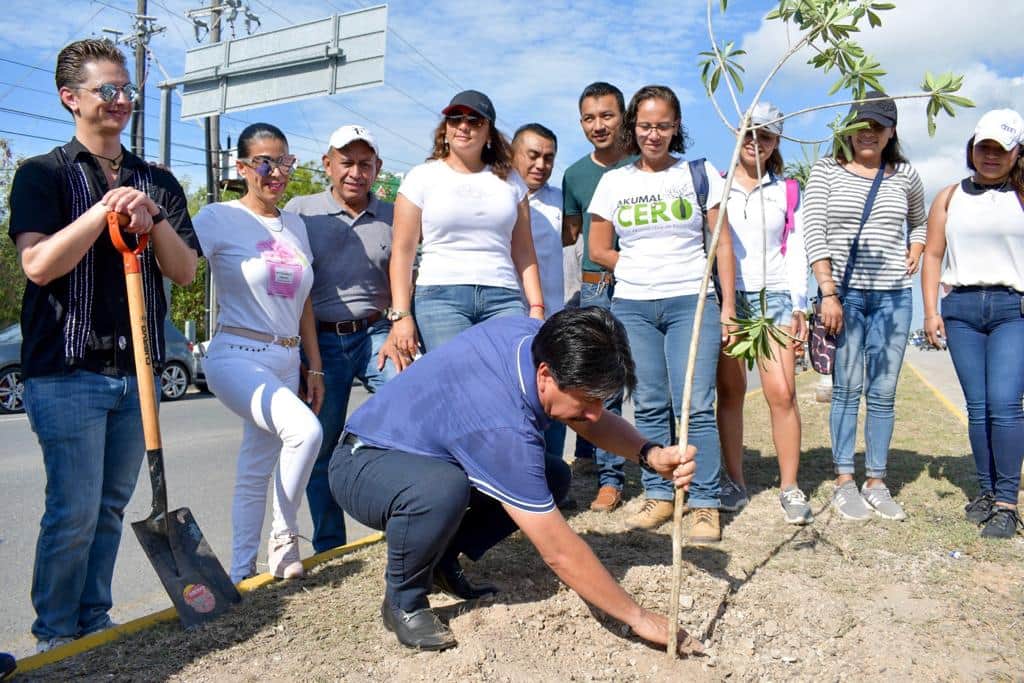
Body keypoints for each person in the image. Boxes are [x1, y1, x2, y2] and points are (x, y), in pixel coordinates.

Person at [329, 307, 703, 655]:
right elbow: (558, 551)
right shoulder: (502, 427)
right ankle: (404, 600)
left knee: (553, 476)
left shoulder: (538, 339)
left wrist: (650, 454)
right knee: (441, 490)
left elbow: (587, 417)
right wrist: (638, 617)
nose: (594, 413)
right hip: (365, 463)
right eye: (587, 400)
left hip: (422, 451)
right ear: (545, 375)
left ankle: (440, 560)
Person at [8, 38, 199, 652]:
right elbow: (39, 264)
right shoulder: (42, 174)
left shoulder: (157, 181)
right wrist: (104, 211)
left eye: (128, 90)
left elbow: (185, 272)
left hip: (138, 369)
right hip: (66, 369)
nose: (121, 100)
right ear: (70, 98)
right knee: (73, 509)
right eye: (107, 90)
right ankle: (55, 634)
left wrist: (153, 213)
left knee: (112, 504)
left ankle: (94, 620)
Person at [589, 85, 736, 541]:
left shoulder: (699, 173)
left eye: (663, 126)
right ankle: (659, 493)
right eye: (645, 126)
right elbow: (597, 248)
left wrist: (729, 308)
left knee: (695, 403)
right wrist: (637, 265)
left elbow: (722, 244)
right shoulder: (614, 182)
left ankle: (705, 501)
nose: (654, 135)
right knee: (650, 401)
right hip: (633, 306)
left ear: (676, 128)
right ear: (632, 127)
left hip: (691, 301)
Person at [193, 123, 324, 582]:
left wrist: (314, 366)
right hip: (237, 354)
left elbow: (304, 301)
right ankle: (285, 542)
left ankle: (241, 571)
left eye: (284, 162)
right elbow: (179, 264)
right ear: (243, 167)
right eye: (265, 163)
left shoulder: (296, 225)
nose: (277, 173)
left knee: (255, 466)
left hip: (287, 359)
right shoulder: (217, 217)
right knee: (305, 433)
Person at [803, 91, 927, 522]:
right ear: (848, 130)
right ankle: (844, 480)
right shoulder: (826, 171)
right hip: (845, 296)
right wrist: (828, 291)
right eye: (861, 125)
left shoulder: (906, 175)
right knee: (846, 388)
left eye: (878, 125)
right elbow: (813, 231)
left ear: (892, 131)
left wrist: (917, 246)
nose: (868, 133)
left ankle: (876, 480)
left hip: (894, 297)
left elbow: (920, 221)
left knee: (883, 392)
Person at [283, 125, 401, 553]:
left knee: (411, 415)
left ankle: (404, 522)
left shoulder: (395, 215)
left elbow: (407, 274)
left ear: (378, 168)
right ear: (327, 165)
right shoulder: (301, 212)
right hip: (322, 341)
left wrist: (401, 325)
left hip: (378, 334)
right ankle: (329, 545)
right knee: (320, 444)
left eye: (365, 164)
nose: (356, 172)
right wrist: (306, 357)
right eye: (346, 162)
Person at [922, 109, 1024, 539]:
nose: (991, 156)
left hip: (1012, 309)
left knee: (1005, 404)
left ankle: (1007, 503)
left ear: (1016, 152)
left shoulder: (1020, 195)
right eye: (984, 147)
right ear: (972, 148)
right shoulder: (949, 197)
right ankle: (986, 491)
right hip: (961, 309)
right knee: (978, 406)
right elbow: (932, 255)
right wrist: (931, 312)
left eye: (1001, 149)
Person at [388, 90, 545, 359]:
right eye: (455, 118)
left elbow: (524, 251)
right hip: (440, 297)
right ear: (445, 128)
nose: (463, 126)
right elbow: (403, 251)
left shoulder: (511, 181)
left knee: (507, 374)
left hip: (503, 296)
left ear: (489, 132)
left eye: (475, 120)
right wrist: (401, 315)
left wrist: (537, 307)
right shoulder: (421, 177)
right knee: (457, 376)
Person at [715, 102, 813, 525]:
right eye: (751, 132)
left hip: (774, 298)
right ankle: (735, 481)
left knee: (782, 393)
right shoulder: (716, 187)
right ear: (738, 132)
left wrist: (799, 304)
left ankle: (790, 486)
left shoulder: (787, 190)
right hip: (730, 297)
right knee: (731, 392)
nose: (757, 142)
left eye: (767, 136)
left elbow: (797, 250)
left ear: (777, 142)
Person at [560, 81, 632, 508]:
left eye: (607, 115)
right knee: (603, 384)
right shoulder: (574, 175)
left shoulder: (645, 164)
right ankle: (611, 479)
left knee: (644, 381)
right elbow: (570, 235)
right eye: (589, 118)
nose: (598, 125)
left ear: (623, 116)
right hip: (596, 288)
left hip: (641, 284)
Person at [511, 122, 569, 462]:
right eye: (533, 155)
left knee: (554, 399)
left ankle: (553, 473)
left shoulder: (561, 202)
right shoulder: (498, 196)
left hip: (551, 320)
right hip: (505, 316)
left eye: (548, 158)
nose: (541, 165)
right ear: (513, 154)